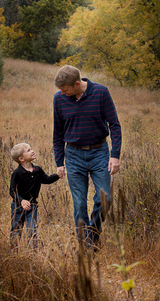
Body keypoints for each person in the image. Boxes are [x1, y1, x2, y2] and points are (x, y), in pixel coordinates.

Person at [52, 65, 121, 247]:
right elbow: (57, 133)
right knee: (80, 203)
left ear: (77, 84)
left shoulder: (100, 92)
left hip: (99, 153)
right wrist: (59, 162)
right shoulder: (59, 99)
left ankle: (93, 233)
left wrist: (115, 155)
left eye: (65, 89)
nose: (62, 93)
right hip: (73, 155)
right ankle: (86, 245)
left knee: (104, 198)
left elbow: (114, 124)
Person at [9, 142, 59, 247]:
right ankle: (13, 252)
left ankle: (33, 252)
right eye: (28, 150)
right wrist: (21, 201)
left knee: (32, 230)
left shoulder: (37, 170)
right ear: (21, 159)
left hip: (32, 206)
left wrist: (57, 175)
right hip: (18, 207)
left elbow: (47, 180)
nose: (32, 151)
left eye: (31, 149)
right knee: (16, 230)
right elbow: (12, 191)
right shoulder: (17, 174)